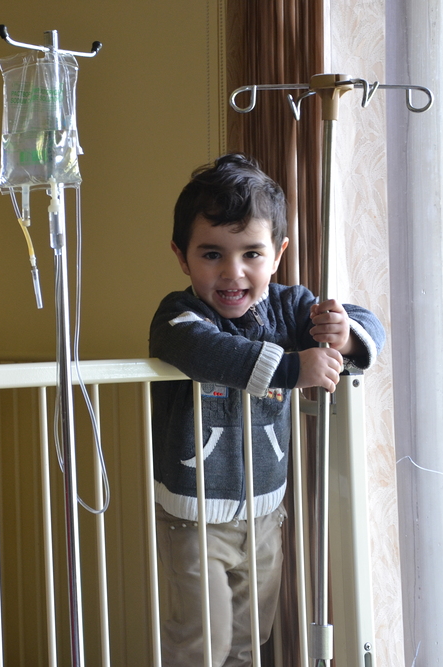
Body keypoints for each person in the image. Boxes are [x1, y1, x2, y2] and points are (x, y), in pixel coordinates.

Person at [148, 153, 385, 667]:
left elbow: (369, 323)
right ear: (182, 257)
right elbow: (210, 352)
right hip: (195, 519)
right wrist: (292, 368)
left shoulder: (288, 306)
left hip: (265, 511)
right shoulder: (178, 317)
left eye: (251, 254)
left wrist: (344, 333)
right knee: (201, 643)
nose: (232, 273)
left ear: (277, 254)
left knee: (249, 641)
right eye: (212, 254)